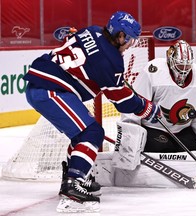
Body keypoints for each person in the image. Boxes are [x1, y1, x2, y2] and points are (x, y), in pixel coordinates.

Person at [23, 11, 160, 213]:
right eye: (129, 39)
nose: (131, 44)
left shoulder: (92, 31)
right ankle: (73, 182)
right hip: (51, 90)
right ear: (120, 36)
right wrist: (147, 107)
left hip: (44, 84)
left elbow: (73, 40)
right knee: (92, 133)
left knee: (82, 135)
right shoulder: (111, 61)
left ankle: (73, 176)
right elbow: (122, 102)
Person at [118, 40, 196, 187]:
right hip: (154, 130)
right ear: (170, 60)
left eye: (187, 65)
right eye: (180, 65)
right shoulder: (153, 72)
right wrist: (129, 140)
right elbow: (134, 108)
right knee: (158, 147)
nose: (183, 70)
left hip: (182, 131)